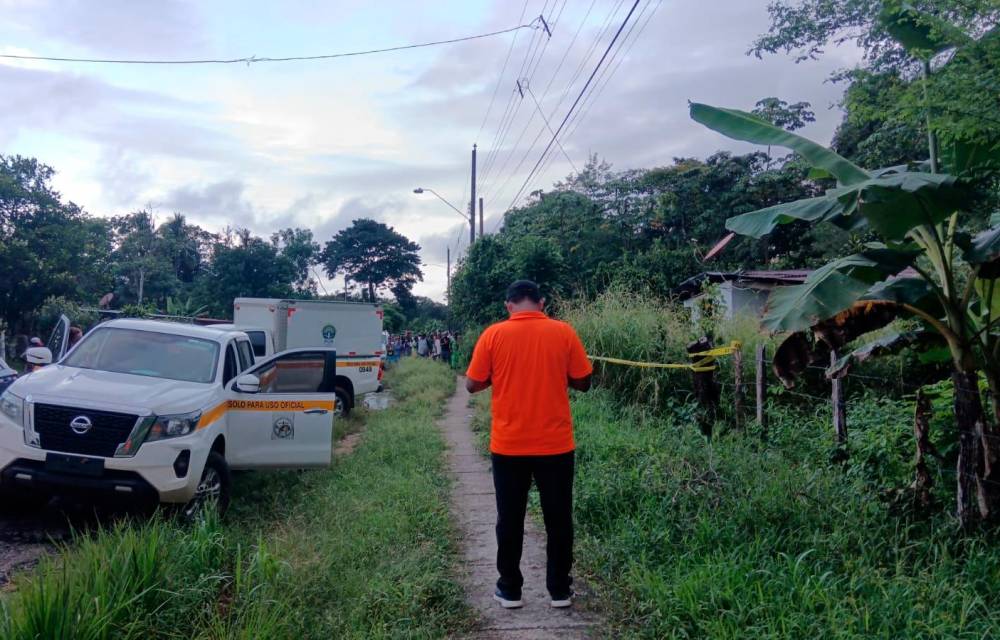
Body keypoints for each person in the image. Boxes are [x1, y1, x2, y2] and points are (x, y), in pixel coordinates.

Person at [465, 280, 593, 610]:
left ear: (509, 305)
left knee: (509, 518)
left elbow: (472, 384)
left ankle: (509, 589)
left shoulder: (493, 335)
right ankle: (560, 590)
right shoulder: (564, 332)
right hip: (556, 446)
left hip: (509, 446)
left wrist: (498, 374)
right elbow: (583, 382)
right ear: (542, 303)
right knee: (559, 518)